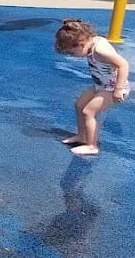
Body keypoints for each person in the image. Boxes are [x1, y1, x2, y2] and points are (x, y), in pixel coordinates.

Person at [54, 18, 130, 156]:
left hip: (113, 88)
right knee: (79, 105)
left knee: (88, 111)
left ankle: (92, 146)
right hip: (100, 84)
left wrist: (118, 90)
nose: (73, 57)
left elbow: (123, 64)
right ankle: (82, 136)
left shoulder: (99, 50)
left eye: (72, 53)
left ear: (81, 43)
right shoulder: (91, 41)